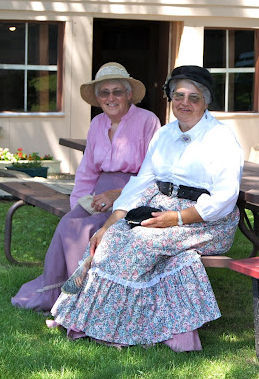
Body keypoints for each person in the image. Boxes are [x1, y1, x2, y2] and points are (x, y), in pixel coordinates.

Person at [49, 65, 243, 352]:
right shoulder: (164, 134)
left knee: (140, 243)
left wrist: (177, 218)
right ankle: (84, 318)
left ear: (206, 101)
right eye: (178, 96)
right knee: (112, 239)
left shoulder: (220, 137)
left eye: (194, 97)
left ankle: (116, 328)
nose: (185, 103)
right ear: (170, 98)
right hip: (163, 207)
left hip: (206, 220)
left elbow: (225, 197)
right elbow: (140, 184)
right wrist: (108, 226)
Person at [11, 62, 161, 311]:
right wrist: (78, 205)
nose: (111, 98)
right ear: (98, 98)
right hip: (98, 194)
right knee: (68, 223)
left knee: (88, 228)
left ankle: (90, 297)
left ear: (129, 94)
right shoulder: (97, 123)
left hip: (134, 195)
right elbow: (87, 170)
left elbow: (153, 172)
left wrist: (117, 194)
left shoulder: (148, 121)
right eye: (104, 93)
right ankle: (62, 292)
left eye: (117, 91)